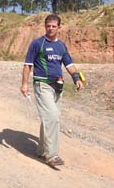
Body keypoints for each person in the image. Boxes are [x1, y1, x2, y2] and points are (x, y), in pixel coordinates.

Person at [20, 14, 83, 168]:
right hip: (42, 84)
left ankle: (41, 149)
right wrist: (24, 84)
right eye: (48, 25)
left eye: (54, 26)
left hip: (58, 87)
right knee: (53, 117)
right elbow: (27, 65)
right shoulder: (37, 44)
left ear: (59, 27)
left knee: (50, 118)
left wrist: (76, 77)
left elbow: (69, 64)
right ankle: (52, 155)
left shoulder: (61, 46)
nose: (50, 28)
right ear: (45, 26)